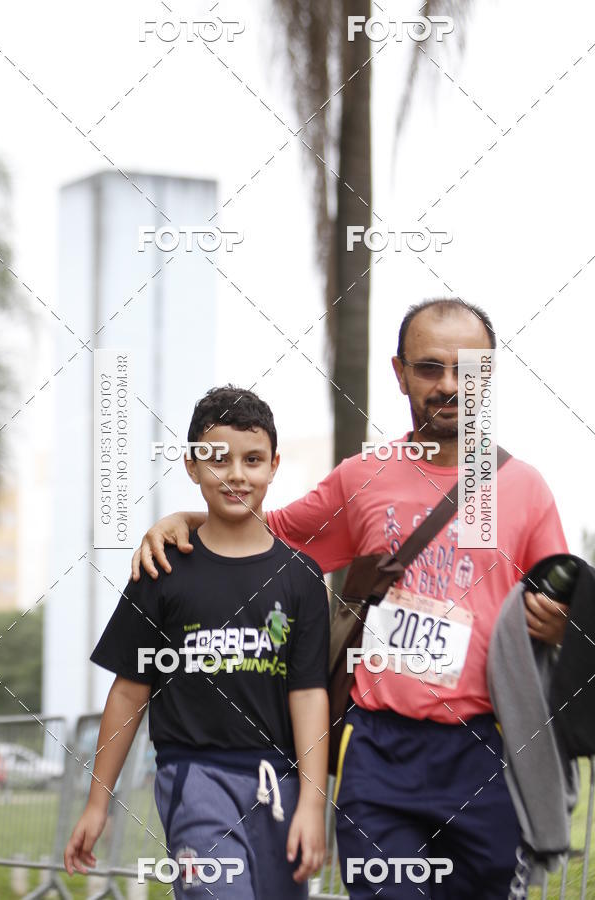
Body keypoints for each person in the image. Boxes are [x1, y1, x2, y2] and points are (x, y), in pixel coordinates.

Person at [131, 299, 570, 898]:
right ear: (399, 373)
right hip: (376, 752)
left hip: (483, 747)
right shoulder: (364, 476)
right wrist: (181, 518)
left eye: (468, 371)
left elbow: (563, 614)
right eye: (429, 368)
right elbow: (263, 533)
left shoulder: (525, 488)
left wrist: (558, 623)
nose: (449, 385)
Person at [64, 387, 330, 899]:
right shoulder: (161, 570)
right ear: (191, 466)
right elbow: (128, 692)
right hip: (194, 778)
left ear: (274, 466)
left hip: (280, 785)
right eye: (217, 459)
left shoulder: (301, 579)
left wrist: (313, 803)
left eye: (252, 460)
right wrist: (98, 803)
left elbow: (309, 694)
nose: (236, 474)